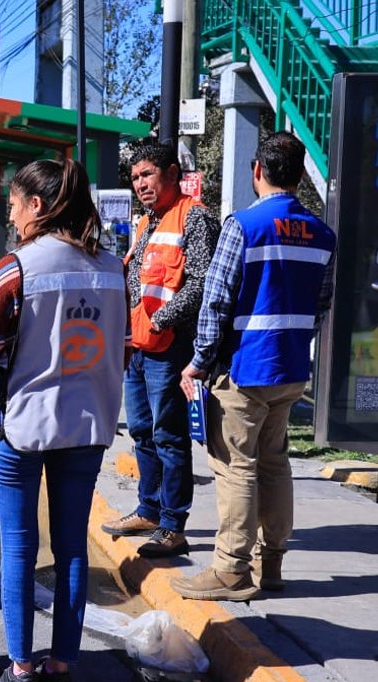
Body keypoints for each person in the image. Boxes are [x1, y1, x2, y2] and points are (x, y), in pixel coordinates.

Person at [0, 157, 127, 682]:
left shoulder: (16, 268)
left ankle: (21, 671)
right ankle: (62, 672)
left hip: (23, 426)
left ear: (38, 206)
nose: (10, 214)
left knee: (18, 547)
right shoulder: (113, 267)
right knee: (72, 549)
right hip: (88, 424)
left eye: (14, 203)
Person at [173, 132, 336, 601]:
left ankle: (230, 569)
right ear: (301, 175)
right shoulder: (323, 234)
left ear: (257, 171)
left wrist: (199, 362)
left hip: (245, 370)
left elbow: (217, 300)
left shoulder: (243, 226)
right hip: (289, 370)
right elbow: (320, 304)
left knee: (236, 468)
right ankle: (273, 564)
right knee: (274, 464)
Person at [100, 141, 218, 558]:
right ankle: (148, 510)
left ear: (172, 174)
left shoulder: (195, 218)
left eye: (147, 174)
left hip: (169, 348)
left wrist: (161, 320)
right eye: (135, 178)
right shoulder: (146, 222)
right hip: (138, 348)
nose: (140, 184)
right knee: (141, 433)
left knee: (169, 436)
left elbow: (203, 282)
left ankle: (172, 525)